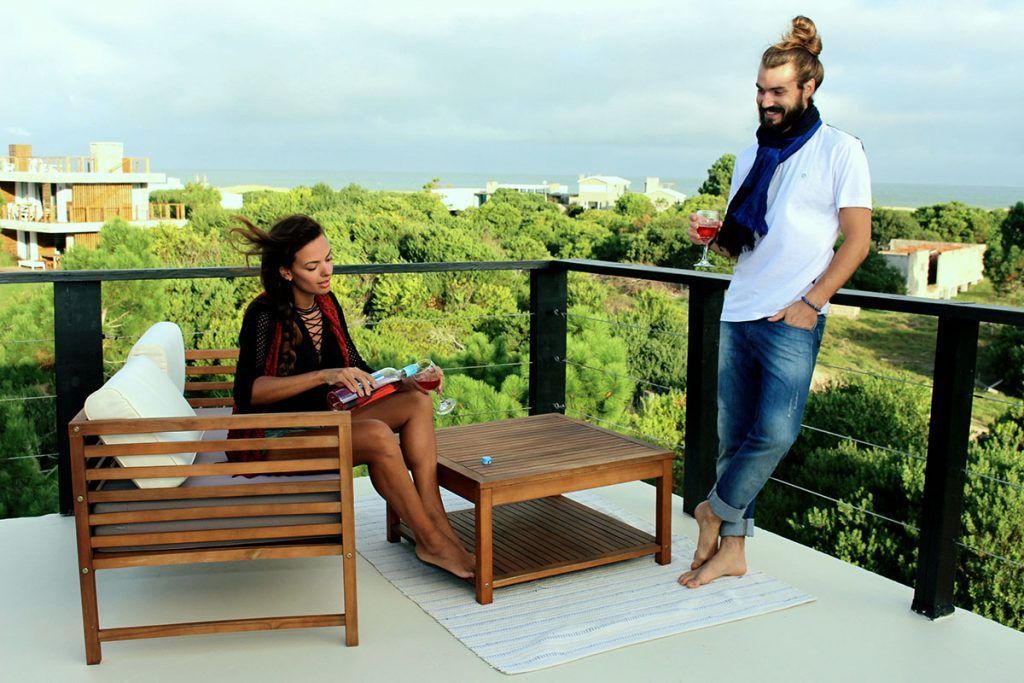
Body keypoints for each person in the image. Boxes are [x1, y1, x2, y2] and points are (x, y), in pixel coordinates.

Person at [678, 16, 872, 588]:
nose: (765, 101)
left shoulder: (842, 150)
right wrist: (711, 235)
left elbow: (857, 241)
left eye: (777, 91)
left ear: (808, 89)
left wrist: (811, 303)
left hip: (793, 314)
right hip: (741, 309)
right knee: (733, 438)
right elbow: (753, 241)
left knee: (778, 433)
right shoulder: (751, 154)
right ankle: (733, 552)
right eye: (760, 90)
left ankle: (713, 510)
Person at [231, 213, 475, 579]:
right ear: (286, 272)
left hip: (327, 420)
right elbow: (249, 392)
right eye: (312, 266)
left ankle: (435, 517)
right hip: (279, 434)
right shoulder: (263, 314)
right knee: (377, 435)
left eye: (328, 259)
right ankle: (431, 542)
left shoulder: (326, 305)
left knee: (416, 402)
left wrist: (406, 378)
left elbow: (357, 367)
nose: (326, 271)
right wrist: (323, 376)